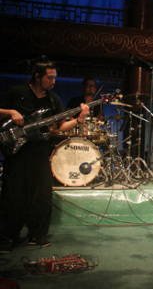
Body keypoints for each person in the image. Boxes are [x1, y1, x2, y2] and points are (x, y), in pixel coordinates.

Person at [0, 60, 89, 252]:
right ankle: (7, 238)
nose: (54, 81)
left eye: (55, 77)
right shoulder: (17, 93)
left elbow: (59, 127)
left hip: (40, 152)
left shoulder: (53, 100)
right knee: (13, 195)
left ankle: (37, 235)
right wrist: (10, 112)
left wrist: (79, 119)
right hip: (17, 152)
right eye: (50, 77)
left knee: (42, 196)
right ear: (37, 77)